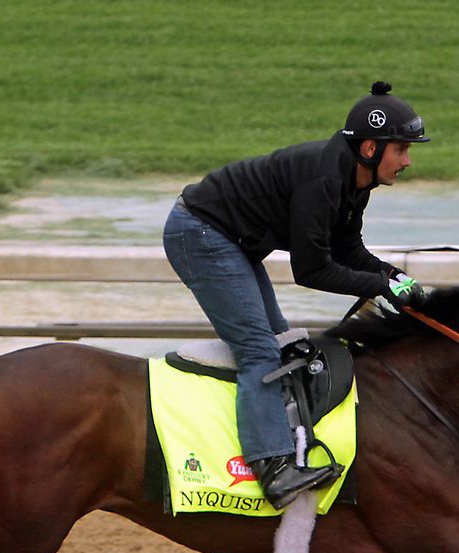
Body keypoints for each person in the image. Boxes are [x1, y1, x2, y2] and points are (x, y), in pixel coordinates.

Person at [163, 81, 428, 510]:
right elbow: (311, 269)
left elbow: (348, 250)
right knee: (259, 352)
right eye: (401, 150)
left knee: (283, 343)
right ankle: (272, 467)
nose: (408, 161)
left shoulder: (354, 182)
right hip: (200, 232)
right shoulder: (325, 181)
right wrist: (379, 286)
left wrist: (394, 276)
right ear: (370, 149)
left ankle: (283, 446)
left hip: (230, 238)